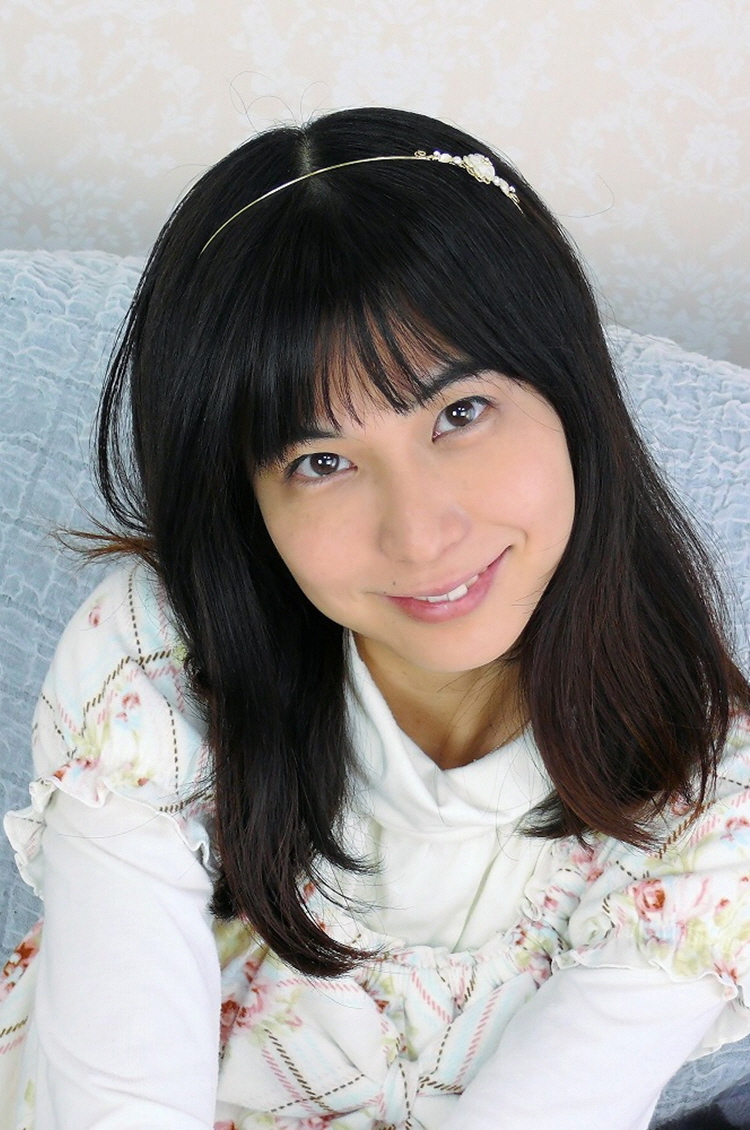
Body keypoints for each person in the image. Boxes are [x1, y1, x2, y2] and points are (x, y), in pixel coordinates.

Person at [1, 105, 750, 1130]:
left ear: (573, 394)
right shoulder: (159, 653)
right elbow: (116, 1105)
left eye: (459, 414)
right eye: (322, 461)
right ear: (245, 498)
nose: (421, 533)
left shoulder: (713, 797)